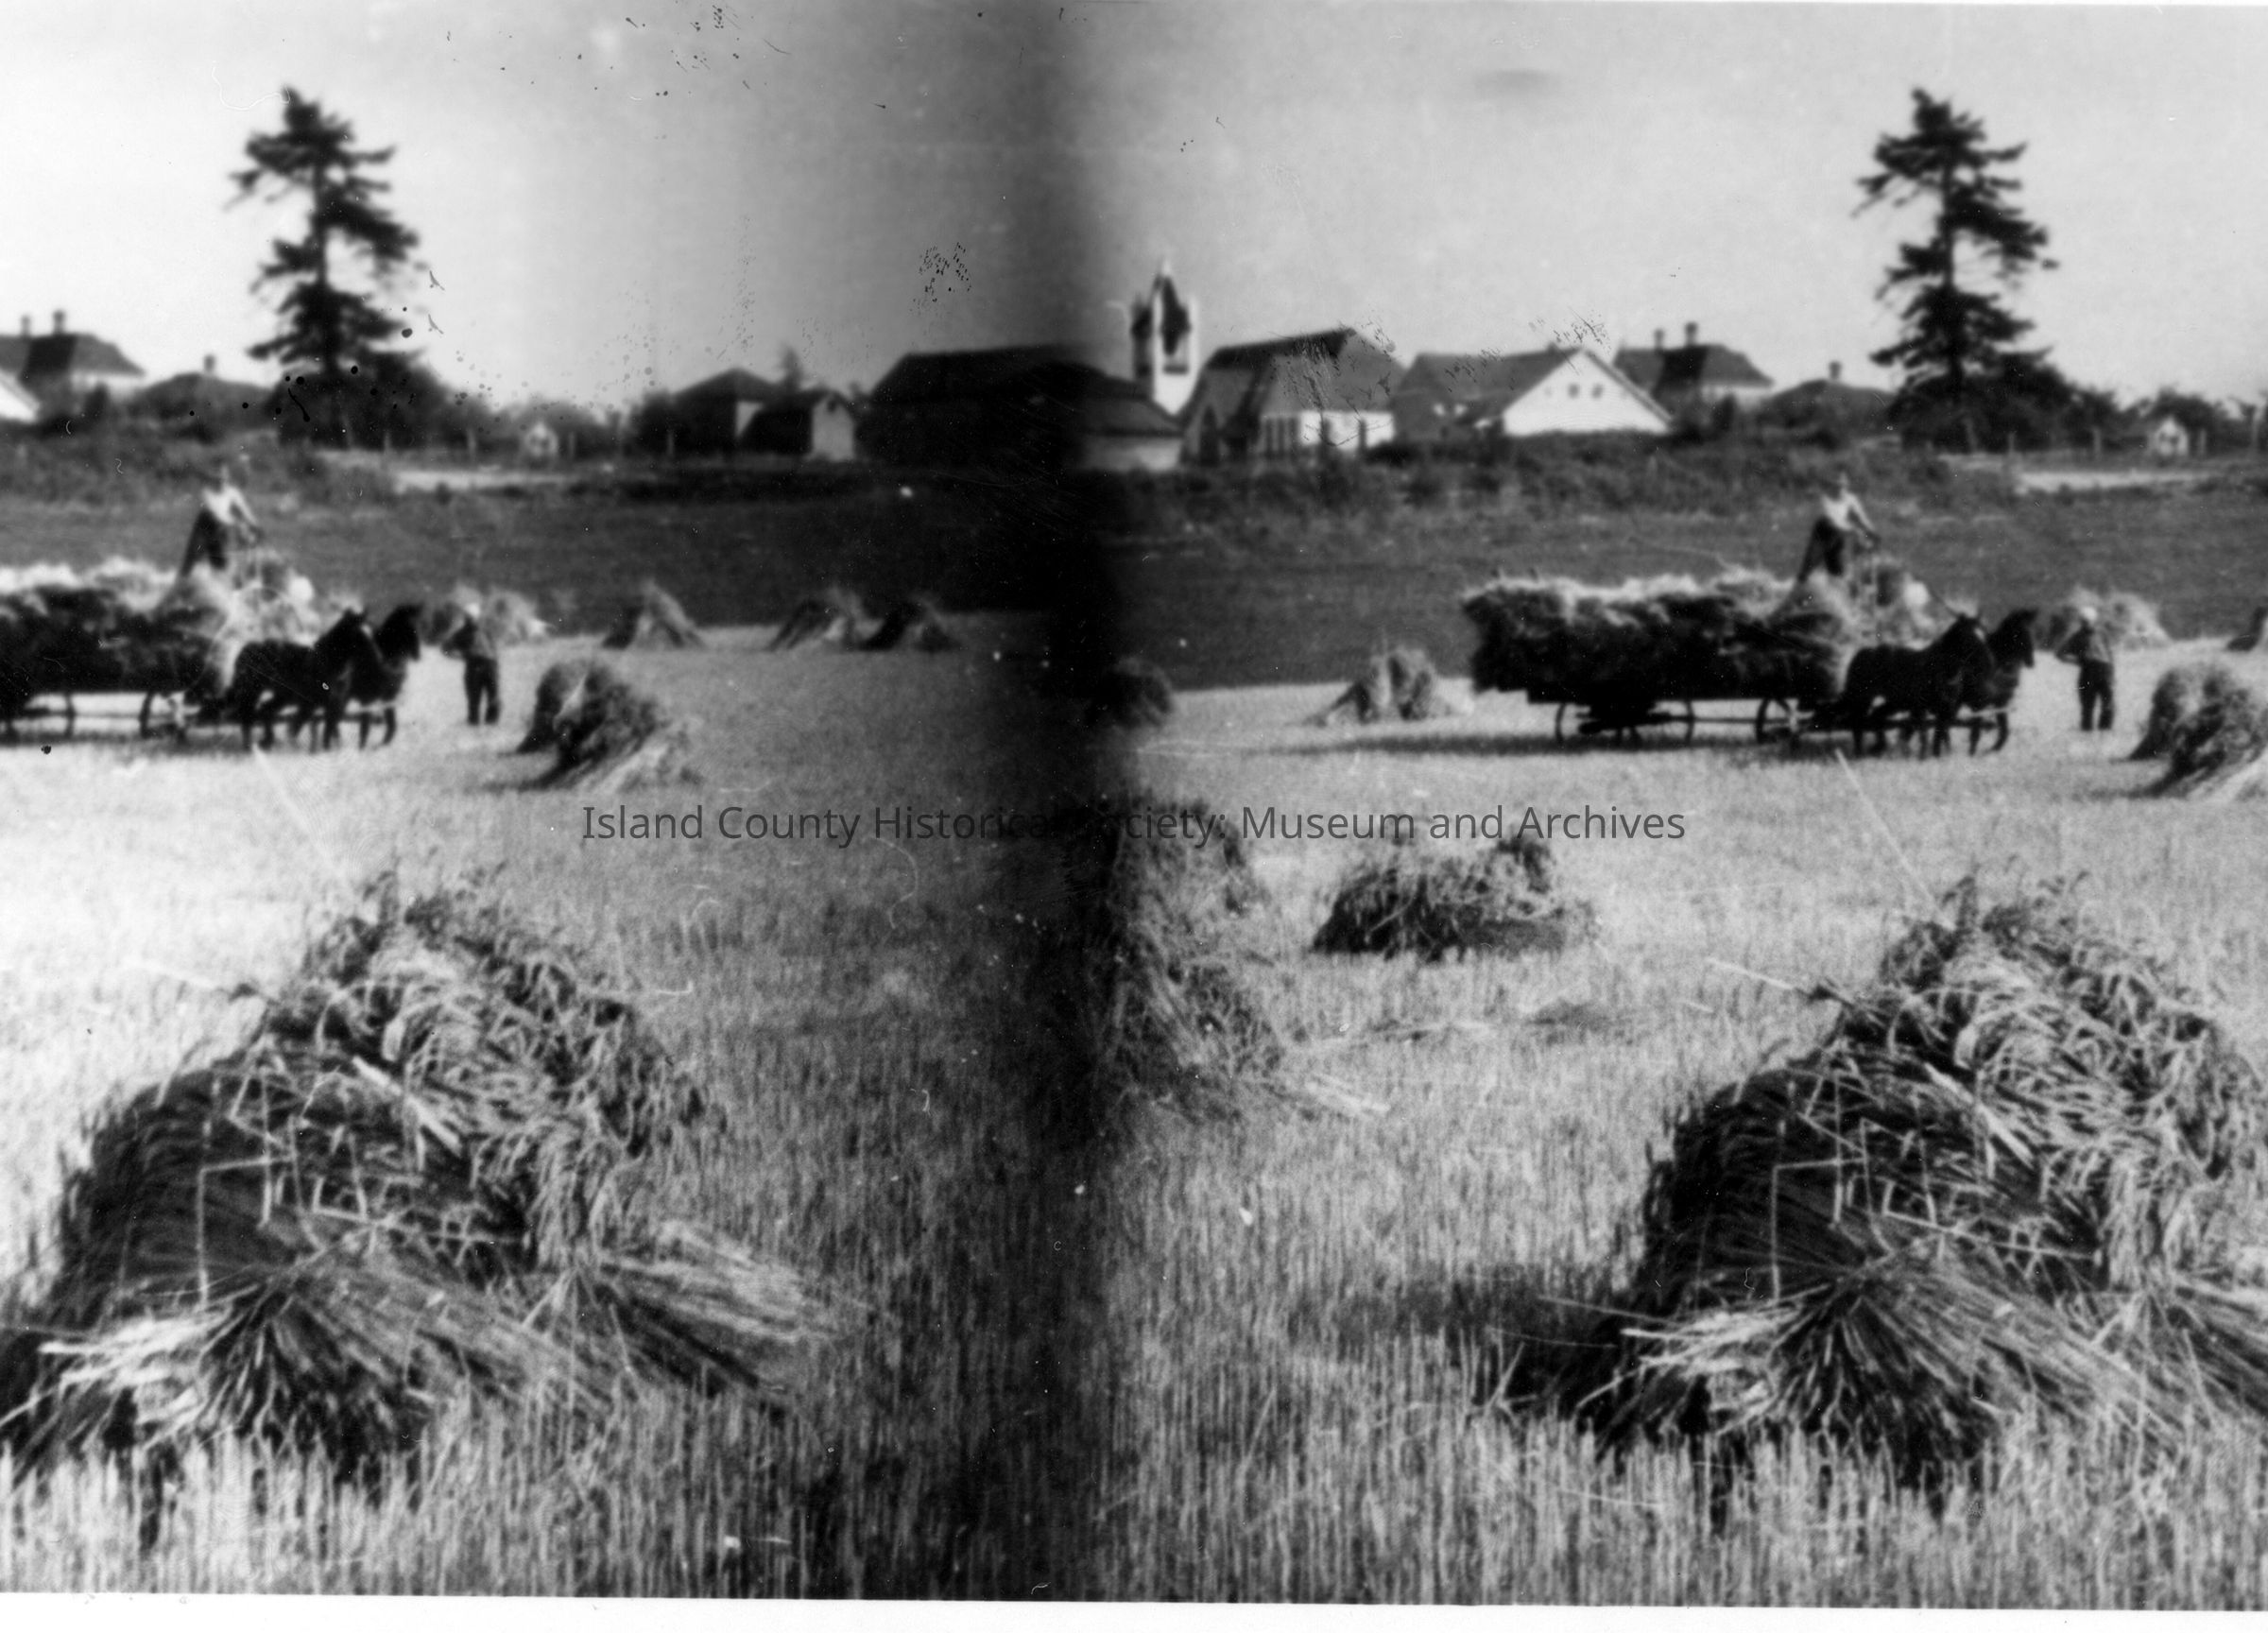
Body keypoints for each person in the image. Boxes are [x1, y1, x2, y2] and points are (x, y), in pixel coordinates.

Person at [180, 455, 261, 580]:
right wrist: (238, 525)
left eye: (223, 476)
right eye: (218, 476)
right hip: (204, 530)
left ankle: (222, 585)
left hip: (220, 532)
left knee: (221, 565)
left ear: (227, 476)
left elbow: (245, 512)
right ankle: (181, 583)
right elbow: (217, 515)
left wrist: (255, 526)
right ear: (213, 478)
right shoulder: (207, 493)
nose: (221, 479)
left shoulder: (232, 492)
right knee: (191, 563)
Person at [1797, 471, 1881, 582]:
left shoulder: (1851, 499)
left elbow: (1862, 519)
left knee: (1837, 573)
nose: (1841, 489)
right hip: (1822, 535)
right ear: (1832, 486)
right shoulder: (1825, 499)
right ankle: (1798, 587)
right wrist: (1856, 531)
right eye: (1837, 486)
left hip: (1837, 537)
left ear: (1847, 485)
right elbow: (1835, 522)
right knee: (1807, 569)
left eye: (1843, 486)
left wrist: (1871, 532)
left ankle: (1837, 591)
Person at [2054, 605, 2117, 731]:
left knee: (2108, 704)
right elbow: (2060, 654)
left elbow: (2110, 653)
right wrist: (2077, 661)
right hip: (2087, 672)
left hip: (2104, 670)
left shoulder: (2103, 633)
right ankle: (2086, 735)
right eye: (2083, 621)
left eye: (2088, 621)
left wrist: (2112, 674)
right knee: (2087, 707)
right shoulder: (2077, 637)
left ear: (2094, 621)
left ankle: (2104, 733)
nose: (2085, 624)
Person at [442, 606, 502, 727]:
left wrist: (494, 661)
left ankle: (491, 725)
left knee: (494, 697)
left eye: (474, 617)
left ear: (478, 617)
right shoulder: (461, 634)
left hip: (490, 665)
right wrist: (460, 656)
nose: (472, 620)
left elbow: (494, 646)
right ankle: (473, 726)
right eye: (469, 617)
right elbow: (446, 649)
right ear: (466, 618)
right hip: (474, 667)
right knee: (474, 700)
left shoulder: (486, 630)